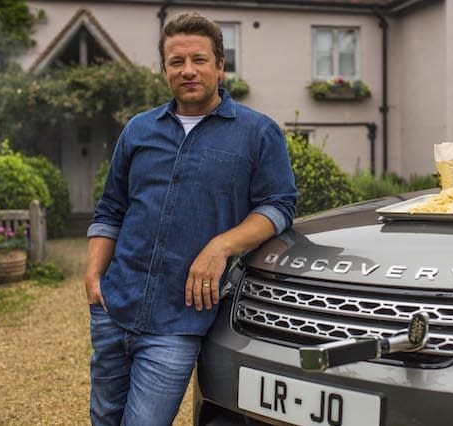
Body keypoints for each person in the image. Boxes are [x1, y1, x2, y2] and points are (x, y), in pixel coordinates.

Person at [84, 12, 297, 425]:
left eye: (198, 60)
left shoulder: (257, 133)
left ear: (220, 65)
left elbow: (278, 206)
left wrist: (221, 246)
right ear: (164, 69)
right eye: (175, 62)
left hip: (179, 321)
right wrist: (93, 277)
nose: (187, 71)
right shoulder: (138, 130)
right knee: (103, 417)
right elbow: (111, 208)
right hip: (115, 306)